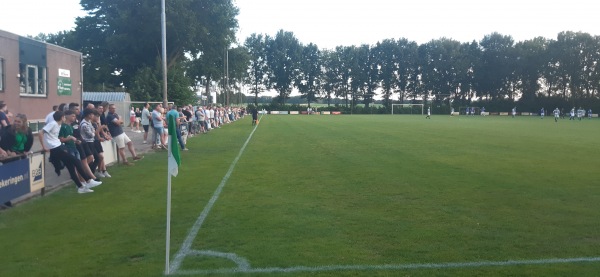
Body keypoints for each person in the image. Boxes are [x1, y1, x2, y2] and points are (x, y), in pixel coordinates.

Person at [38, 111, 100, 194]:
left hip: (59, 146)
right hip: (56, 148)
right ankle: (88, 181)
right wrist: (44, 146)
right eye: (64, 117)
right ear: (62, 117)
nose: (64, 118)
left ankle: (80, 187)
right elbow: (40, 132)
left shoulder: (58, 125)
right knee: (77, 161)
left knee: (71, 167)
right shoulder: (53, 123)